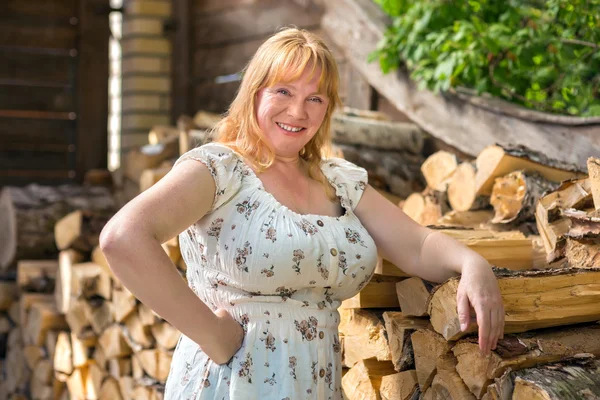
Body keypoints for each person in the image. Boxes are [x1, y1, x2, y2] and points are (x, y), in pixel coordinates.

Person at [99, 27, 504, 399]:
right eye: (283, 92)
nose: (298, 112)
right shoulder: (220, 169)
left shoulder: (340, 181)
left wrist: (472, 263)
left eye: (315, 98)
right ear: (254, 93)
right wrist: (211, 334)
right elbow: (123, 239)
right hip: (233, 382)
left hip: (316, 383)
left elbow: (417, 244)